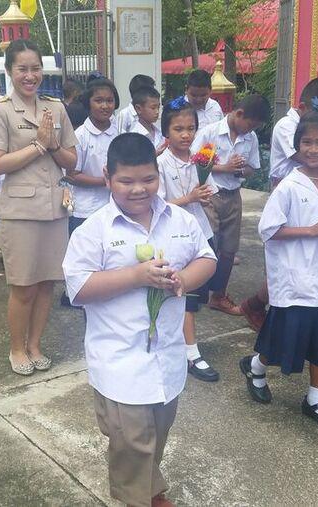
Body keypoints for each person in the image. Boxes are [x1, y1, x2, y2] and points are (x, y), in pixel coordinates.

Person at [63, 133, 217, 507]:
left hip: (167, 356)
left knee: (158, 430)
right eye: (126, 181)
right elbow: (79, 289)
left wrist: (183, 280)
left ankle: (150, 487)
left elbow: (206, 258)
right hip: (120, 360)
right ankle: (138, 498)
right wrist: (135, 276)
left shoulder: (180, 219)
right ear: (107, 177)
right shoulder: (94, 230)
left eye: (148, 179)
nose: (138, 189)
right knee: (132, 441)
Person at [239, 111, 318, 432]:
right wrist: (312, 230)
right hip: (294, 279)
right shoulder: (289, 187)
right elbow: (269, 230)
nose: (314, 149)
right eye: (307, 142)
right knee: (282, 340)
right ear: (297, 146)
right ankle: (256, 367)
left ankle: (315, 399)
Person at [0, 39, 77, 375]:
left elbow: (71, 159)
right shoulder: (1, 111)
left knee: (47, 282)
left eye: (35, 68)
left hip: (55, 209)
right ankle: (17, 348)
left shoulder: (56, 108)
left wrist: (52, 146)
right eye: (22, 69)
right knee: (23, 286)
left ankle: (35, 345)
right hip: (20, 212)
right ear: (9, 71)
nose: (30, 75)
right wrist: (38, 145)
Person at [240, 78, 318, 329]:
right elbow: (304, 156)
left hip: (313, 194)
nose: (314, 147)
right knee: (286, 265)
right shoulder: (288, 126)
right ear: (304, 107)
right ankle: (259, 307)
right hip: (290, 193)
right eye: (308, 141)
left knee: (306, 261)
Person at [157, 97, 220, 382]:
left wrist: (204, 198)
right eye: (178, 129)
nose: (186, 135)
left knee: (195, 295)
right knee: (186, 297)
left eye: (191, 128)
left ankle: (182, 344)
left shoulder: (200, 160)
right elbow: (158, 205)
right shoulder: (160, 164)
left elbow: (209, 191)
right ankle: (192, 354)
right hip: (175, 236)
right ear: (166, 132)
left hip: (201, 233)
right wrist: (190, 198)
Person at [192, 94, 269, 316]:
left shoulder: (250, 138)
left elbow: (252, 168)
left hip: (233, 195)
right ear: (239, 113)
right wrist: (225, 167)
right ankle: (196, 291)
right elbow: (194, 163)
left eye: (254, 127)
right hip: (210, 194)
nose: (250, 129)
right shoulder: (210, 132)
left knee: (229, 249)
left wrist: (241, 169)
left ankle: (219, 295)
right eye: (250, 124)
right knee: (209, 243)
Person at [59, 77, 120, 305]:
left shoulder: (119, 132)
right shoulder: (80, 136)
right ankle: (75, 295)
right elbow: (71, 174)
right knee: (85, 258)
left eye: (109, 100)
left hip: (114, 206)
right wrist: (104, 182)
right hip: (85, 209)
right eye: (99, 100)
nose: (105, 106)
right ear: (88, 103)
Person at [130, 86, 165, 152]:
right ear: (138, 109)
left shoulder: (159, 133)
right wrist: (154, 155)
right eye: (153, 108)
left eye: (158, 107)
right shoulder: (133, 137)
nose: (157, 112)